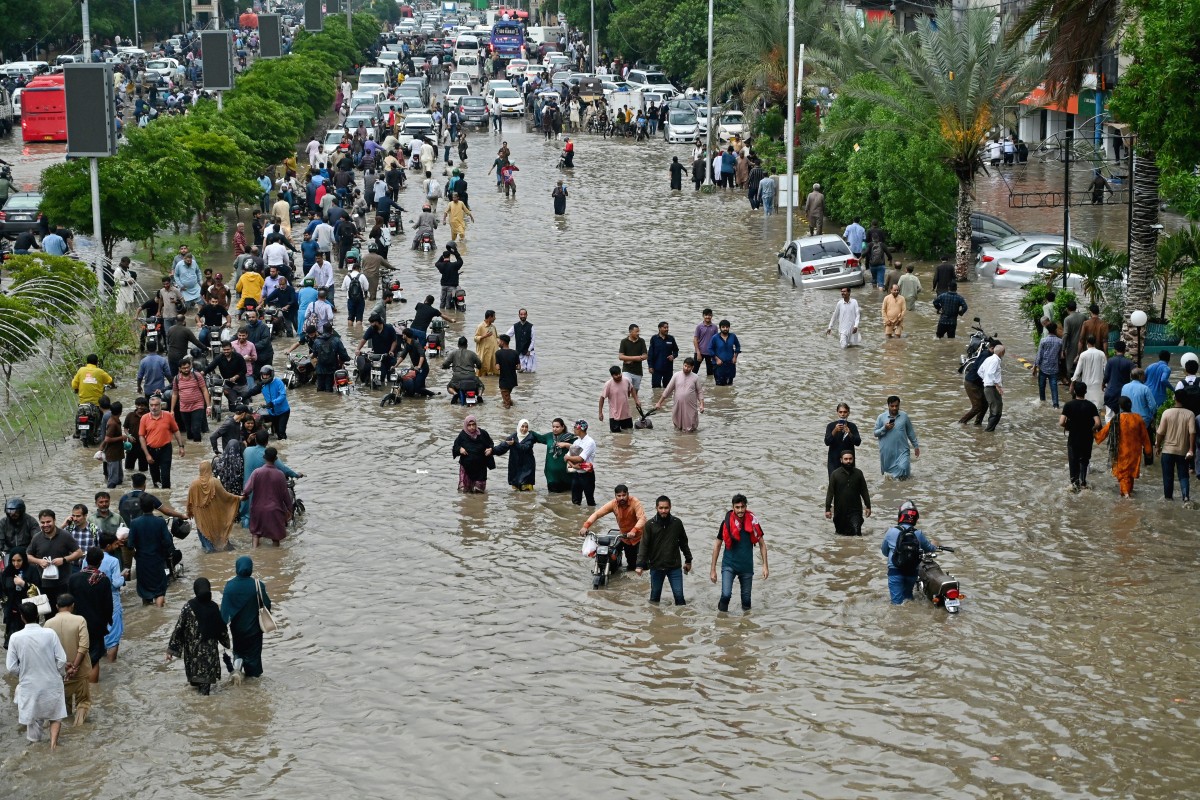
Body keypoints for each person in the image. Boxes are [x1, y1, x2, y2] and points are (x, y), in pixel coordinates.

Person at [5, 602, 67, 748]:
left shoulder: (15, 637)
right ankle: (53, 746)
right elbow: (62, 659)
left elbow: (11, 667)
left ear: (22, 617)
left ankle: (35, 747)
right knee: (55, 715)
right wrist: (58, 672)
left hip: (30, 685)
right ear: (38, 615)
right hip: (51, 682)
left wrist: (25, 673)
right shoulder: (50, 633)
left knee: (33, 719)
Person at [166, 577, 229, 696]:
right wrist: (226, 643)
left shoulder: (188, 607)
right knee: (204, 694)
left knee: (195, 689)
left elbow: (179, 628)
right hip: (209, 659)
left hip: (192, 657)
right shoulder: (214, 607)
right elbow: (221, 629)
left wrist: (171, 650)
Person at [710, 494, 769, 613]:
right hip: (729, 565)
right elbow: (717, 544)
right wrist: (713, 570)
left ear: (746, 507)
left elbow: (762, 544)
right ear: (733, 507)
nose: (740, 510)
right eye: (737, 507)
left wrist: (765, 566)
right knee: (726, 595)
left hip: (746, 567)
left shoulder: (753, 523)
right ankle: (721, 622)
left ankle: (745, 629)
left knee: (746, 603)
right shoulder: (726, 523)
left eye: (742, 507)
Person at [635, 496, 692, 606]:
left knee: (679, 598)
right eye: (661, 508)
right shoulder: (649, 525)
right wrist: (639, 565)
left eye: (666, 508)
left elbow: (684, 543)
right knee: (654, 599)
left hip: (674, 567)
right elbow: (644, 546)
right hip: (656, 567)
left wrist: (688, 560)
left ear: (670, 507)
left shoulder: (677, 523)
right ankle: (655, 621)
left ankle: (681, 622)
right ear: (656, 508)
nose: (663, 511)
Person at [44, 594, 90, 727]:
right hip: (79, 670)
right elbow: (84, 646)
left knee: (64, 705)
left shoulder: (48, 623)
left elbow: (47, 651)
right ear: (73, 606)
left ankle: (66, 731)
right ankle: (79, 730)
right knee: (83, 702)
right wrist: (75, 667)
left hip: (60, 672)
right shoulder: (80, 620)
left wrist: (65, 667)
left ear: (57, 606)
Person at [220, 557, 270, 680]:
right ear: (251, 568)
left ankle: (237, 670)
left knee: (238, 651)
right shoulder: (258, 585)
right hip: (254, 630)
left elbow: (224, 613)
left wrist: (220, 630)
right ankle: (253, 682)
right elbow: (267, 605)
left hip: (237, 629)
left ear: (237, 568)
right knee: (253, 657)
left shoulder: (230, 586)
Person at [880, 501, 937, 605]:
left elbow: (884, 552)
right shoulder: (918, 533)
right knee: (909, 599)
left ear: (900, 515)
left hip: (895, 572)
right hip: (912, 572)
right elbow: (929, 548)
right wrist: (935, 545)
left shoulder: (891, 532)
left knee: (896, 604)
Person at [580, 485, 647, 573]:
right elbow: (597, 514)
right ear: (615, 496)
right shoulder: (613, 504)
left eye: (624, 495)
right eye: (619, 496)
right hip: (625, 537)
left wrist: (634, 531)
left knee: (642, 565)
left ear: (628, 494)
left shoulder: (635, 502)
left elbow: (642, 518)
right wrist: (586, 526)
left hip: (639, 537)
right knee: (631, 564)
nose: (621, 498)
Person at [1094, 396, 1153, 497]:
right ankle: (1128, 493)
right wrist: (1148, 451)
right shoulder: (1138, 418)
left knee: (1123, 475)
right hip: (1135, 452)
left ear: (1120, 407)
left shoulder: (1116, 419)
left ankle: (1126, 497)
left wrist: (1094, 433)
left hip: (1121, 452)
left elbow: (1103, 433)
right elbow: (1145, 437)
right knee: (1130, 475)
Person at [27, 510, 84, 612]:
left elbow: (79, 552)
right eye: (42, 522)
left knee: (65, 612)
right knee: (47, 613)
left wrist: (64, 560)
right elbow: (28, 555)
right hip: (44, 584)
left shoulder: (65, 535)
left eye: (48, 522)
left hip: (63, 583)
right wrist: (39, 561)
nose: (45, 525)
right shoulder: (37, 538)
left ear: (54, 520)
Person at [127, 495, 174, 606]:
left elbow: (129, 545)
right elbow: (168, 542)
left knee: (145, 592)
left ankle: (150, 614)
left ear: (141, 507)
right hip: (157, 560)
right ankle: (159, 614)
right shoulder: (160, 522)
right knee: (159, 591)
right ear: (153, 507)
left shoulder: (134, 523)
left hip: (142, 562)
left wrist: (136, 553)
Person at [243, 447, 295, 547]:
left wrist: (244, 496)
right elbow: (285, 496)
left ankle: (254, 555)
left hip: (258, 510)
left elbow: (246, 490)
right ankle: (275, 560)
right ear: (275, 459)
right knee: (275, 538)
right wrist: (290, 509)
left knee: (255, 535)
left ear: (264, 458)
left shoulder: (256, 472)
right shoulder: (280, 475)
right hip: (275, 511)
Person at [187, 461, 242, 554]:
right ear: (210, 469)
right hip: (215, 517)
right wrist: (239, 498)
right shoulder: (215, 482)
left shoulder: (194, 484)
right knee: (219, 540)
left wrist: (189, 513)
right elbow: (226, 496)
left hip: (202, 519)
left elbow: (190, 502)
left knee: (207, 546)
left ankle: (210, 559)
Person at [1156, 390, 1196, 504]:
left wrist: (1158, 446)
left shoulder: (1167, 413)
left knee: (1168, 477)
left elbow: (1160, 433)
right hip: (1183, 451)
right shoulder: (1190, 414)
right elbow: (1192, 432)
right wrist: (1191, 449)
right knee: (1183, 475)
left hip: (1168, 450)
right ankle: (1186, 498)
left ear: (1174, 398)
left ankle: (1168, 499)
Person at [139, 394, 184, 489]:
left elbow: (176, 431)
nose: (154, 407)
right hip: (151, 450)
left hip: (165, 449)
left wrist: (181, 446)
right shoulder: (144, 418)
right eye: (151, 405)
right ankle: (158, 498)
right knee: (155, 478)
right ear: (149, 406)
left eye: (156, 405)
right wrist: (147, 454)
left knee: (165, 476)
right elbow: (142, 437)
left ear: (161, 405)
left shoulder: (168, 416)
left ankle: (167, 495)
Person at [825, 450, 872, 536]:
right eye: (846, 459)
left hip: (855, 510)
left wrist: (868, 506)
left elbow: (864, 491)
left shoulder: (858, 473)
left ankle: (858, 548)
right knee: (841, 535)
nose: (848, 461)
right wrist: (827, 509)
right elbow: (830, 492)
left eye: (850, 459)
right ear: (841, 460)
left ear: (853, 459)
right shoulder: (835, 475)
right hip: (840, 511)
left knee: (857, 531)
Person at [875, 396, 921, 480]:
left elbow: (910, 432)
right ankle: (896, 489)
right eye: (892, 406)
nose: (894, 408)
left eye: (896, 406)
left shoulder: (904, 416)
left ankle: (905, 489)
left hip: (903, 450)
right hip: (887, 451)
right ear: (888, 405)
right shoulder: (881, 417)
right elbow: (875, 433)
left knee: (904, 468)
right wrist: (885, 428)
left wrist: (916, 446)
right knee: (888, 476)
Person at [654, 357, 704, 432]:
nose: (686, 368)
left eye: (689, 367)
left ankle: (691, 441)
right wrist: (659, 403)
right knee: (678, 427)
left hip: (690, 406)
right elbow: (668, 390)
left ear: (692, 367)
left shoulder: (695, 377)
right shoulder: (676, 375)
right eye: (685, 366)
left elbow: (700, 392)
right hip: (678, 405)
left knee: (691, 428)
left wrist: (702, 405)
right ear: (683, 365)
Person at [170, 358, 211, 443]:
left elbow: (204, 390)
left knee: (196, 429)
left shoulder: (197, 376)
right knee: (188, 431)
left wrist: (208, 406)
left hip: (198, 405)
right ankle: (192, 450)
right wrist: (172, 410)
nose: (186, 369)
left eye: (188, 367)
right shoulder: (176, 379)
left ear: (191, 366)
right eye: (184, 368)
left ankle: (198, 447)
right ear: (179, 369)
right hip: (184, 407)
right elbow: (175, 394)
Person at [3, 551, 37, 647]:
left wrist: (23, 584)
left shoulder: (31, 570)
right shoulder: (8, 571)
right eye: (13, 561)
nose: (16, 563)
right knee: (13, 642)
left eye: (19, 560)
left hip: (29, 610)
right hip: (12, 610)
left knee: (29, 643)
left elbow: (38, 589)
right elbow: (3, 590)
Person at [532, 418, 576, 493]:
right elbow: (538, 437)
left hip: (566, 475)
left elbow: (579, 449)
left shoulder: (571, 438)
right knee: (553, 499)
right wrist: (527, 431)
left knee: (567, 498)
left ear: (563, 427)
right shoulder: (549, 436)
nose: (555, 429)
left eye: (557, 427)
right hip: (551, 475)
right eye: (553, 427)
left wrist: (566, 445)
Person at [452, 416, 495, 493]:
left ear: (476, 424)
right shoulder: (462, 435)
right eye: (469, 425)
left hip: (481, 468)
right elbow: (455, 447)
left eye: (473, 424)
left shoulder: (483, 434)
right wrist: (460, 449)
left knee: (479, 493)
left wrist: (490, 449)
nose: (471, 427)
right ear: (466, 425)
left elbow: (490, 443)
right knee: (465, 493)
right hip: (466, 468)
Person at [492, 419, 538, 490]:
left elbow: (525, 447)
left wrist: (515, 443)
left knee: (526, 492)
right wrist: (492, 450)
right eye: (522, 426)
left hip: (527, 468)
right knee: (515, 493)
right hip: (515, 467)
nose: (524, 429)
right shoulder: (513, 437)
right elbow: (503, 447)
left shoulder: (530, 437)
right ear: (519, 426)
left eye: (526, 427)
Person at [824, 403, 862, 475]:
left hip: (848, 460)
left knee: (849, 483)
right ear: (837, 413)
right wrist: (835, 430)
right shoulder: (831, 426)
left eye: (845, 412)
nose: (842, 414)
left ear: (848, 413)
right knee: (834, 483)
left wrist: (849, 433)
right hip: (834, 459)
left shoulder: (852, 426)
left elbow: (858, 442)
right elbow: (827, 442)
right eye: (840, 412)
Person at [566, 420, 598, 506]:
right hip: (577, 474)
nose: (573, 429)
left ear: (581, 429)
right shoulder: (576, 441)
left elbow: (580, 459)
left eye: (575, 428)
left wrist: (570, 459)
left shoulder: (590, 442)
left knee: (590, 501)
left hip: (587, 474)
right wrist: (573, 465)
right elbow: (566, 457)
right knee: (575, 501)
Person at [1072, 335, 1108, 410]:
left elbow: (1078, 371)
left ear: (1086, 343)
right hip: (1099, 384)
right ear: (1095, 343)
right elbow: (1106, 369)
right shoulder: (1101, 354)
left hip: (1086, 384)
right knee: (1097, 408)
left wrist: (1072, 383)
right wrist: (1106, 383)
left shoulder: (1083, 355)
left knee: (1086, 407)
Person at [1035, 322, 1064, 407]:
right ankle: (1056, 405)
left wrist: (1035, 367)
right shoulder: (1060, 341)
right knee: (1054, 386)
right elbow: (1061, 356)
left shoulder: (1043, 340)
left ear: (1047, 330)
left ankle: (1042, 401)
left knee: (1041, 386)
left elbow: (1039, 354)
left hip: (1043, 367)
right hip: (1054, 367)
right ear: (1055, 330)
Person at [599, 365, 636, 432]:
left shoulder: (626, 380)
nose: (619, 376)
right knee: (616, 436)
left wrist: (637, 401)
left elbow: (632, 388)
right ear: (612, 376)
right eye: (616, 375)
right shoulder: (608, 384)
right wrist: (600, 413)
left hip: (626, 414)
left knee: (629, 434)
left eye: (619, 373)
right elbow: (602, 398)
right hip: (614, 415)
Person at [1103, 340, 1134, 417]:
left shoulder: (1110, 361)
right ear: (1124, 349)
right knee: (1123, 416)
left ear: (1115, 350)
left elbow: (1106, 376)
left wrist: (1103, 384)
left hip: (1111, 392)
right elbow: (1135, 374)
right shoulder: (1129, 362)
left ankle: (1111, 429)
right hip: (1124, 393)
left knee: (1109, 416)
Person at [979, 343, 1006, 432]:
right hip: (992, 388)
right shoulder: (995, 360)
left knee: (995, 409)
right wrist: (997, 386)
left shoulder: (988, 359)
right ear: (1001, 352)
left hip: (988, 386)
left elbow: (980, 371)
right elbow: (990, 373)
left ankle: (990, 430)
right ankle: (989, 431)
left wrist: (986, 380)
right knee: (996, 411)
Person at [647, 321, 679, 389]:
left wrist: (673, 356)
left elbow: (676, 351)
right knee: (656, 389)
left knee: (668, 388)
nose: (667, 329)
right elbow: (650, 354)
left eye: (667, 327)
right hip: (656, 368)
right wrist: (650, 366)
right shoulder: (654, 338)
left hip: (668, 368)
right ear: (659, 328)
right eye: (665, 328)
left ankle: (668, 400)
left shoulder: (671, 338)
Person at [618, 324, 648, 392]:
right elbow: (620, 356)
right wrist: (636, 358)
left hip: (638, 371)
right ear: (631, 332)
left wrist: (629, 359)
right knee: (627, 387)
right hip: (627, 370)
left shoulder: (641, 341)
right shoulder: (624, 341)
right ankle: (626, 402)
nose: (638, 333)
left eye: (638, 331)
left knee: (635, 391)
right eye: (636, 332)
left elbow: (645, 356)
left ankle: (633, 402)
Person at [710, 320, 741, 386]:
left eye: (727, 327)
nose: (725, 329)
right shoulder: (715, 338)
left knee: (730, 384)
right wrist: (717, 359)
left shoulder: (733, 336)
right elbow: (710, 349)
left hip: (730, 364)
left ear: (729, 328)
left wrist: (735, 357)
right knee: (719, 385)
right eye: (723, 327)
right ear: (720, 328)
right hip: (718, 365)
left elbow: (738, 346)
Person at [505, 309, 536, 373]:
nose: (523, 316)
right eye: (521, 314)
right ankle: (522, 383)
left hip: (529, 352)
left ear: (527, 315)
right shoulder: (515, 326)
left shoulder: (531, 326)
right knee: (520, 370)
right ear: (519, 315)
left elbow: (533, 340)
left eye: (524, 314)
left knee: (529, 370)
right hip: (519, 352)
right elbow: (507, 335)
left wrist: (529, 350)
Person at [496, 334, 520, 408]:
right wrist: (511, 366)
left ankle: (507, 417)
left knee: (506, 403)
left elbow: (497, 367)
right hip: (512, 380)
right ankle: (512, 411)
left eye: (499, 341)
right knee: (507, 398)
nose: (498, 342)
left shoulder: (498, 353)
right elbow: (519, 367)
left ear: (502, 342)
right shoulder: (515, 352)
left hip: (504, 381)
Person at [474, 310, 500, 376]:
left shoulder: (493, 327)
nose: (495, 318)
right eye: (494, 316)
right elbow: (475, 338)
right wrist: (484, 336)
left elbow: (496, 337)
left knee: (494, 372)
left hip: (493, 353)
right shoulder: (480, 326)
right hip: (484, 353)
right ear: (489, 317)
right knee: (482, 373)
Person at [693, 309, 718, 377]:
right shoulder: (699, 326)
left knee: (710, 373)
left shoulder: (715, 327)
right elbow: (695, 339)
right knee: (694, 371)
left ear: (712, 316)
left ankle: (709, 386)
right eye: (706, 315)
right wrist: (698, 353)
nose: (708, 317)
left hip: (710, 353)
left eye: (709, 315)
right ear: (703, 316)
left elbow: (716, 340)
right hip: (699, 352)